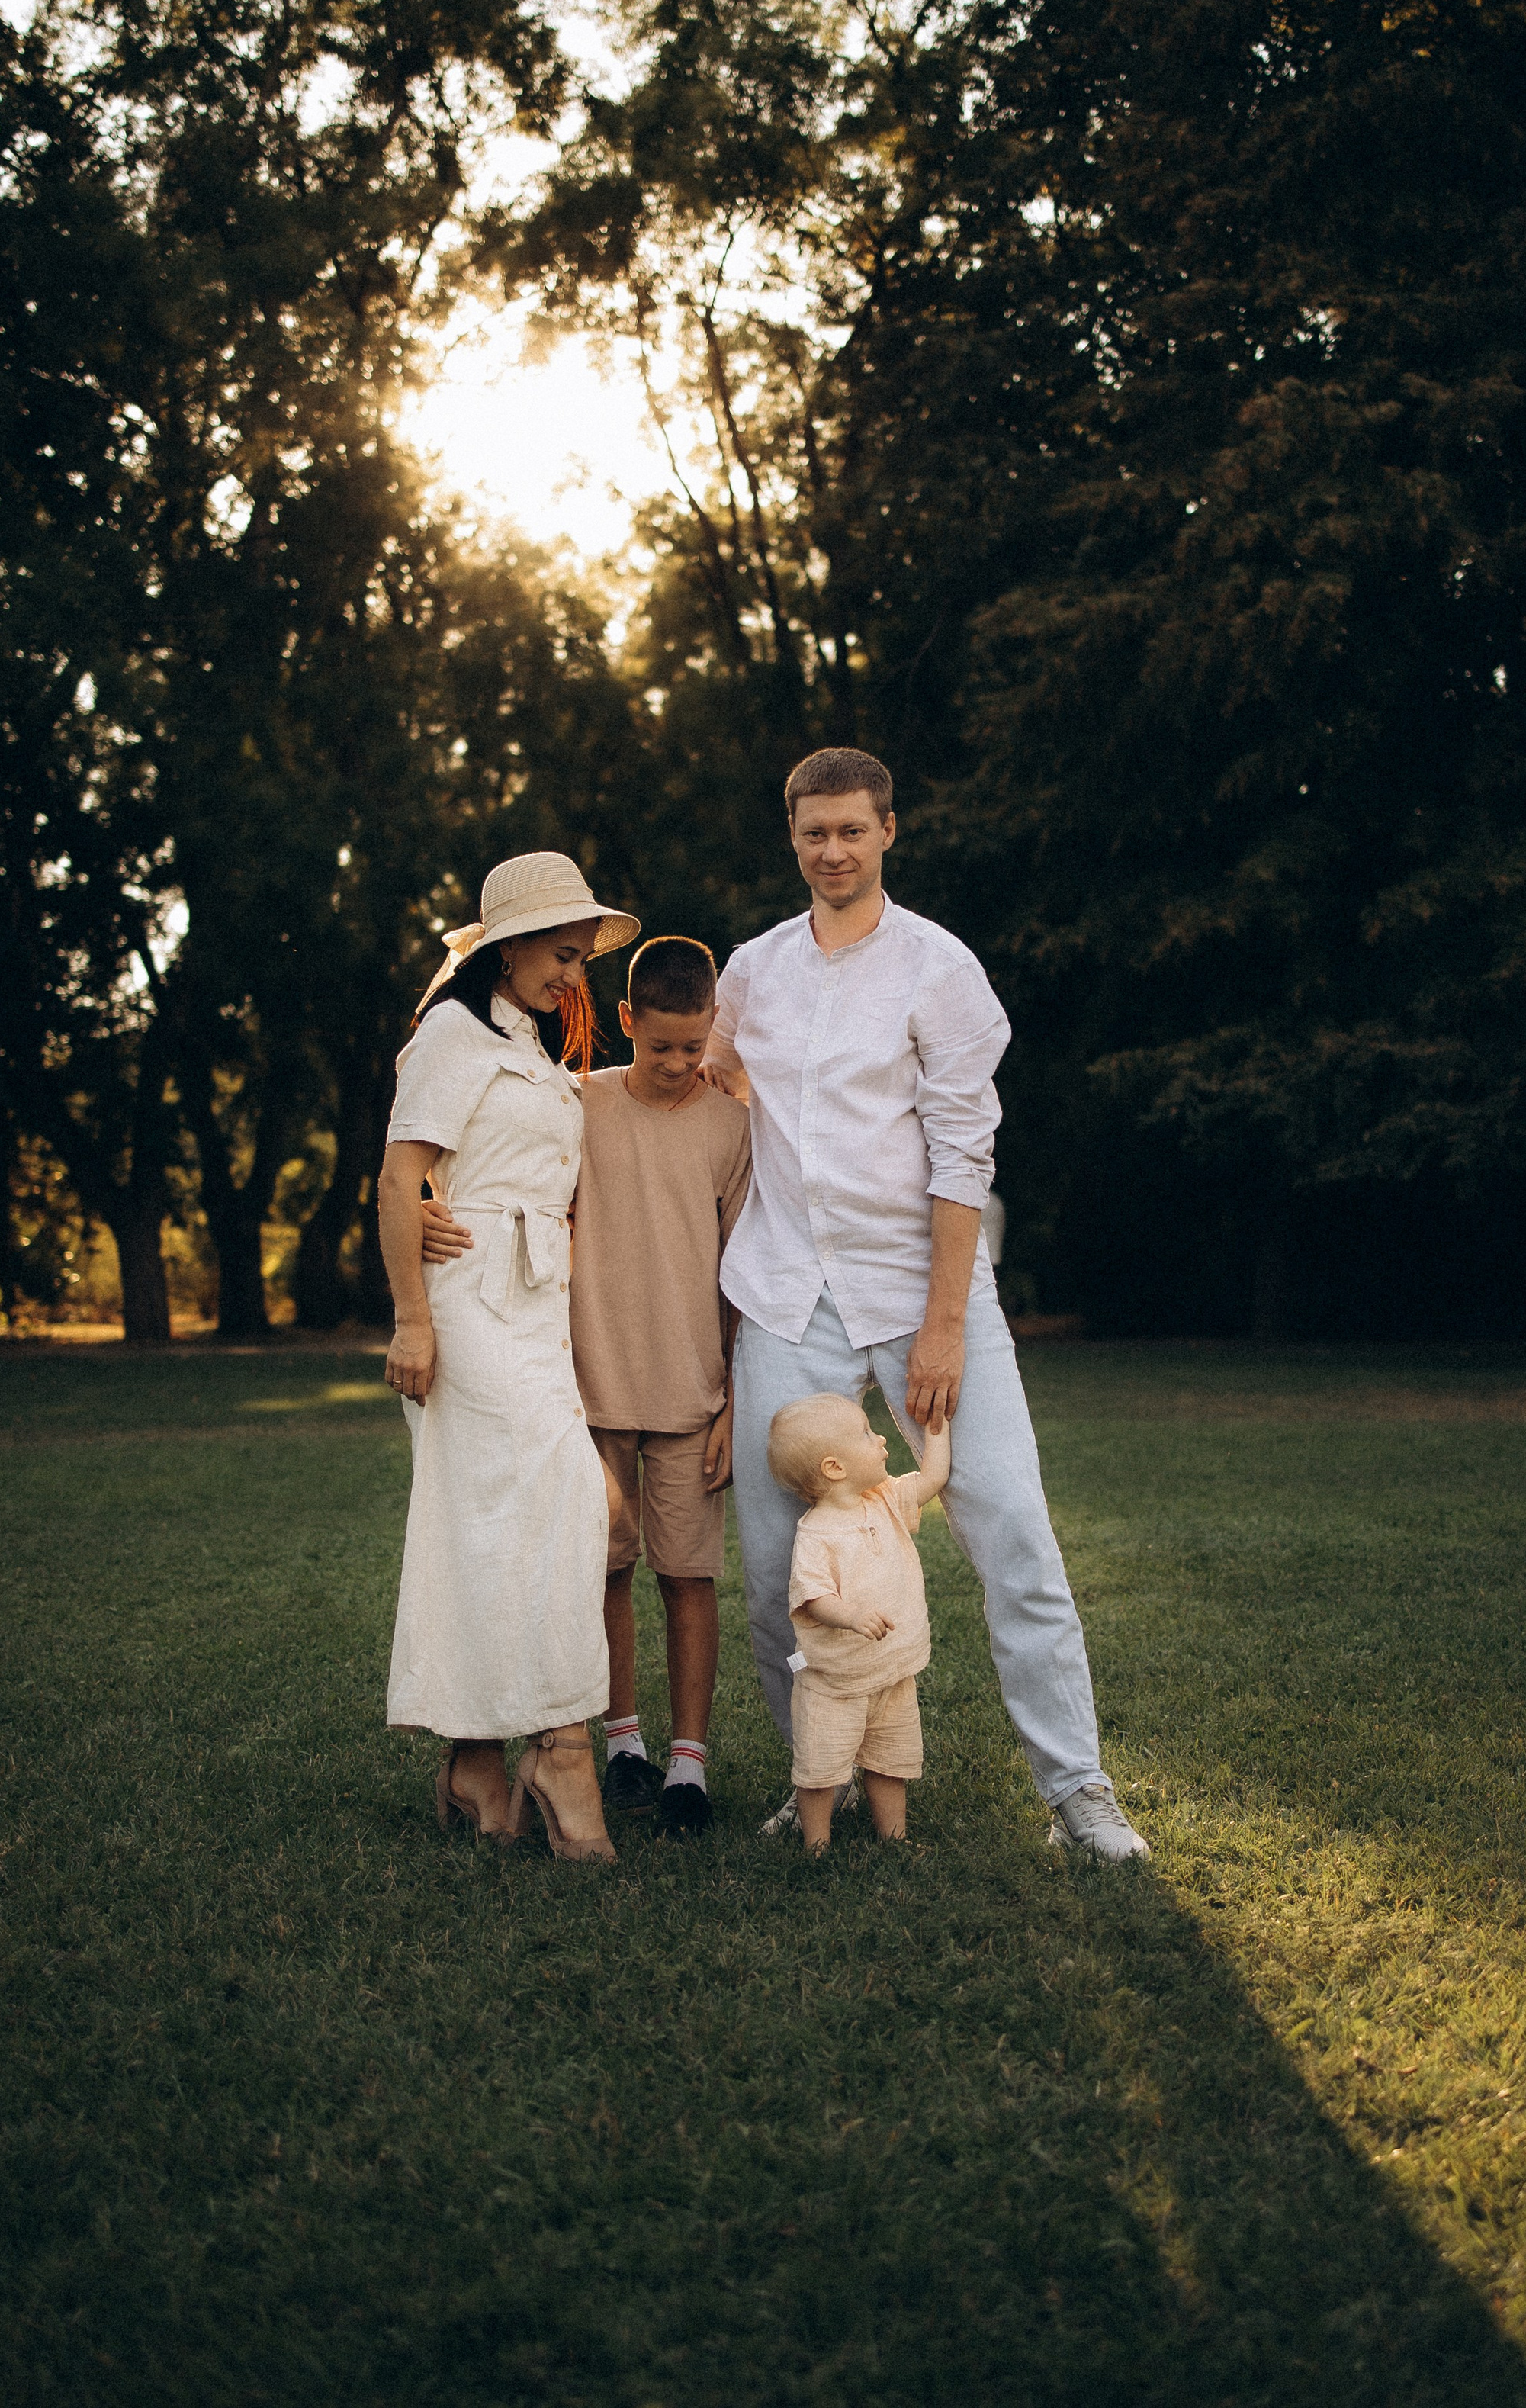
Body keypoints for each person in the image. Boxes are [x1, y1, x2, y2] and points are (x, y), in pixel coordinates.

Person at [705, 746, 1152, 1863]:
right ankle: (831, 1772)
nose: (834, 850)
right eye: (815, 832)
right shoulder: (752, 969)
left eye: (854, 830)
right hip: (784, 1289)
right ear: (792, 836)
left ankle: (1080, 1793)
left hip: (924, 1289)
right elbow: (692, 1080)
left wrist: (948, 1324)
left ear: (889, 831)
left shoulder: (939, 969)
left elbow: (965, 1155)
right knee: (771, 1566)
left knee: (1012, 1535)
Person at [420, 935, 752, 1839]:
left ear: (714, 1029)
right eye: (661, 1046)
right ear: (624, 1023)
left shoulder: (730, 1126)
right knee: (598, 1571)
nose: (681, 1064)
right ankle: (621, 1743)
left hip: (694, 1393)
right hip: (586, 1386)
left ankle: (689, 1762)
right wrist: (417, 1199)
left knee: (688, 1575)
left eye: (697, 1046)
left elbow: (741, 1269)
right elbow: (486, 1162)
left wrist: (732, 1395)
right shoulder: (577, 1103)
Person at [378, 850, 638, 1865]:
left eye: (580, 959)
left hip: (536, 1304)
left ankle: (475, 1763)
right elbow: (403, 1174)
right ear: (511, 944)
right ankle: (564, 1752)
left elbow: (519, 1147)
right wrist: (411, 1318)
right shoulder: (449, 1031)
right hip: (467, 1303)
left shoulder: (525, 1040)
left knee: (492, 1525)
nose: (573, 976)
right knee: (568, 1493)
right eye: (563, 956)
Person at [771, 1391, 950, 1854]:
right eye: (867, 1434)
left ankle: (894, 1838)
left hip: (892, 1672)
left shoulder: (886, 1498)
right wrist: (851, 1615)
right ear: (835, 1468)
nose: (882, 1439)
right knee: (821, 1769)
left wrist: (938, 1427)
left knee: (891, 1762)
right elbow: (813, 1599)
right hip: (835, 1683)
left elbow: (934, 1476)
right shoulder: (815, 1533)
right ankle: (817, 1845)